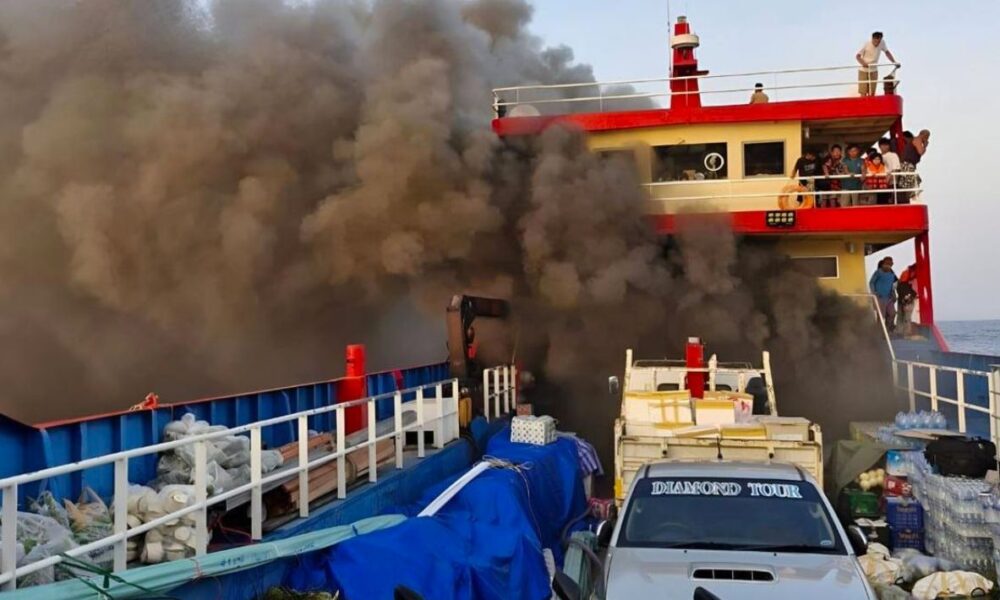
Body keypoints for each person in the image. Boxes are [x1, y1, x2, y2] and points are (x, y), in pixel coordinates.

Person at [856, 31, 898, 97]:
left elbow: (887, 52)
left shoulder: (882, 43)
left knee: (872, 92)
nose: (877, 44)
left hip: (874, 70)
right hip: (863, 70)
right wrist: (863, 63)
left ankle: (871, 105)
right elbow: (857, 56)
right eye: (876, 41)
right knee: (863, 91)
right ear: (872, 39)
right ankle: (864, 105)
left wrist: (894, 62)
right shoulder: (866, 44)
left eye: (879, 41)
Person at [898, 129, 930, 203]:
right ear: (924, 135)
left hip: (908, 164)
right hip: (907, 164)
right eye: (927, 137)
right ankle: (912, 197)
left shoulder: (914, 140)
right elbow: (921, 151)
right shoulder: (918, 140)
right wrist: (925, 146)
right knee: (911, 181)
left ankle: (911, 197)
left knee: (912, 180)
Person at [870, 257, 898, 332]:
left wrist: (894, 294)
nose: (887, 266)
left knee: (892, 313)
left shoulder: (892, 274)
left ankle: (887, 330)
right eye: (886, 264)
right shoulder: (878, 272)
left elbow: (892, 286)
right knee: (881, 316)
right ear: (883, 264)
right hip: (879, 298)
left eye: (889, 264)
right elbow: (871, 282)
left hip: (889, 298)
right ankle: (879, 332)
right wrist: (874, 293)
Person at [878, 137, 901, 203]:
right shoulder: (878, 157)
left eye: (886, 145)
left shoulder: (893, 155)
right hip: (880, 184)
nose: (885, 147)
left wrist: (888, 179)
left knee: (890, 201)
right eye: (883, 145)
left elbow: (896, 169)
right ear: (879, 146)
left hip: (892, 183)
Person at [897, 268, 917, 337]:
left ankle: (903, 333)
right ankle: (904, 333)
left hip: (906, 301)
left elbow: (914, 292)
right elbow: (914, 292)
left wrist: (909, 298)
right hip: (904, 301)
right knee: (904, 317)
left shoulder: (905, 283)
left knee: (904, 317)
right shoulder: (903, 284)